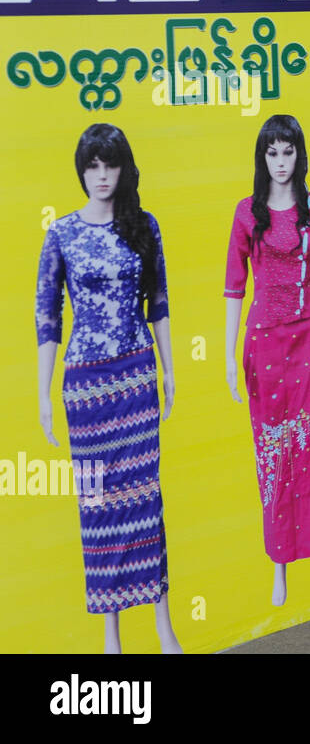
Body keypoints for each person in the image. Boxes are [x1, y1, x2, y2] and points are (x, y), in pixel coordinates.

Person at [35, 123, 181, 654]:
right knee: (97, 505)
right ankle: (111, 635)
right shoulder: (61, 234)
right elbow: (47, 317)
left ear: (123, 168)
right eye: (92, 166)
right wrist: (43, 394)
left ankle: (164, 625)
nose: (101, 176)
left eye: (110, 165)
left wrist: (169, 369)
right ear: (82, 170)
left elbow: (159, 301)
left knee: (146, 499)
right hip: (86, 390)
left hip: (136, 377)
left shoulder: (143, 226)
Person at [224, 114, 310, 610]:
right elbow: (234, 286)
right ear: (261, 157)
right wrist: (229, 356)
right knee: (272, 455)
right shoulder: (247, 214)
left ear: (299, 154)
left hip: (306, 341)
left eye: (287, 151)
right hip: (263, 347)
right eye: (271, 153)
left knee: (309, 450)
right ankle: (279, 568)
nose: (279, 161)